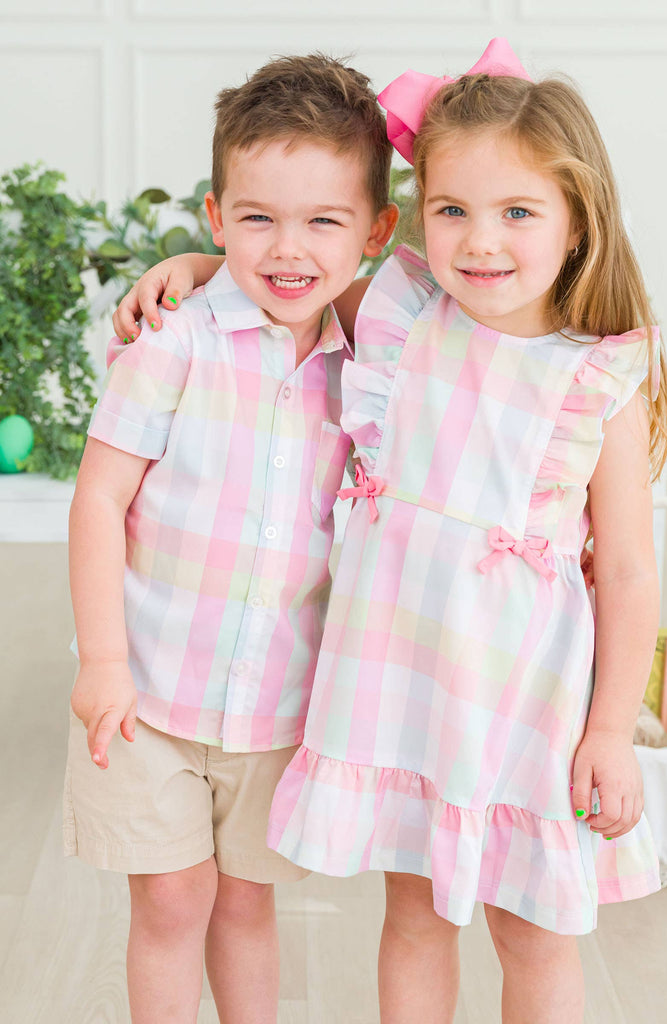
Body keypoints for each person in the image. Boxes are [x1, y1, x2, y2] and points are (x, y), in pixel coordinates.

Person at [114, 39, 667, 1024]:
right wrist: (198, 264)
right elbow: (290, 276)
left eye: (517, 212)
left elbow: (627, 572)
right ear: (415, 218)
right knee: (413, 917)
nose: (480, 240)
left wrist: (608, 733)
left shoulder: (594, 378)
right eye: (451, 210)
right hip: (402, 691)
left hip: (521, 703)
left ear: (578, 219)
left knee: (531, 932)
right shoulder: (407, 311)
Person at [65, 53, 397, 1024]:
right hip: (149, 694)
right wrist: (103, 662)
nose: (288, 249)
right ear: (215, 216)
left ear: (376, 233)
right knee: (172, 899)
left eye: (324, 222)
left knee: (247, 904)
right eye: (258, 219)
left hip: (279, 706)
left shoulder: (367, 363)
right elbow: (97, 499)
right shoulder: (173, 343)